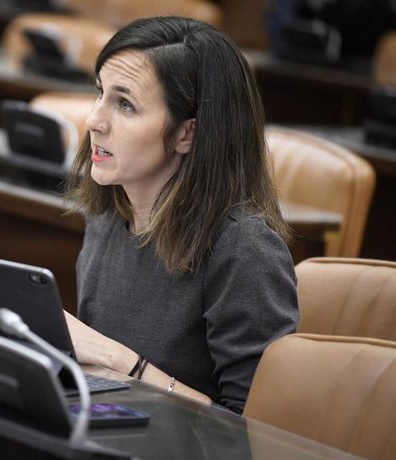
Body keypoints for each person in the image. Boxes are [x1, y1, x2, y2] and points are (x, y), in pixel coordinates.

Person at [63, 16, 299, 414]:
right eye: (99, 93)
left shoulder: (245, 251)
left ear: (187, 133)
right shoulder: (108, 214)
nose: (94, 121)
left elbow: (255, 432)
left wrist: (125, 364)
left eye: (125, 104)